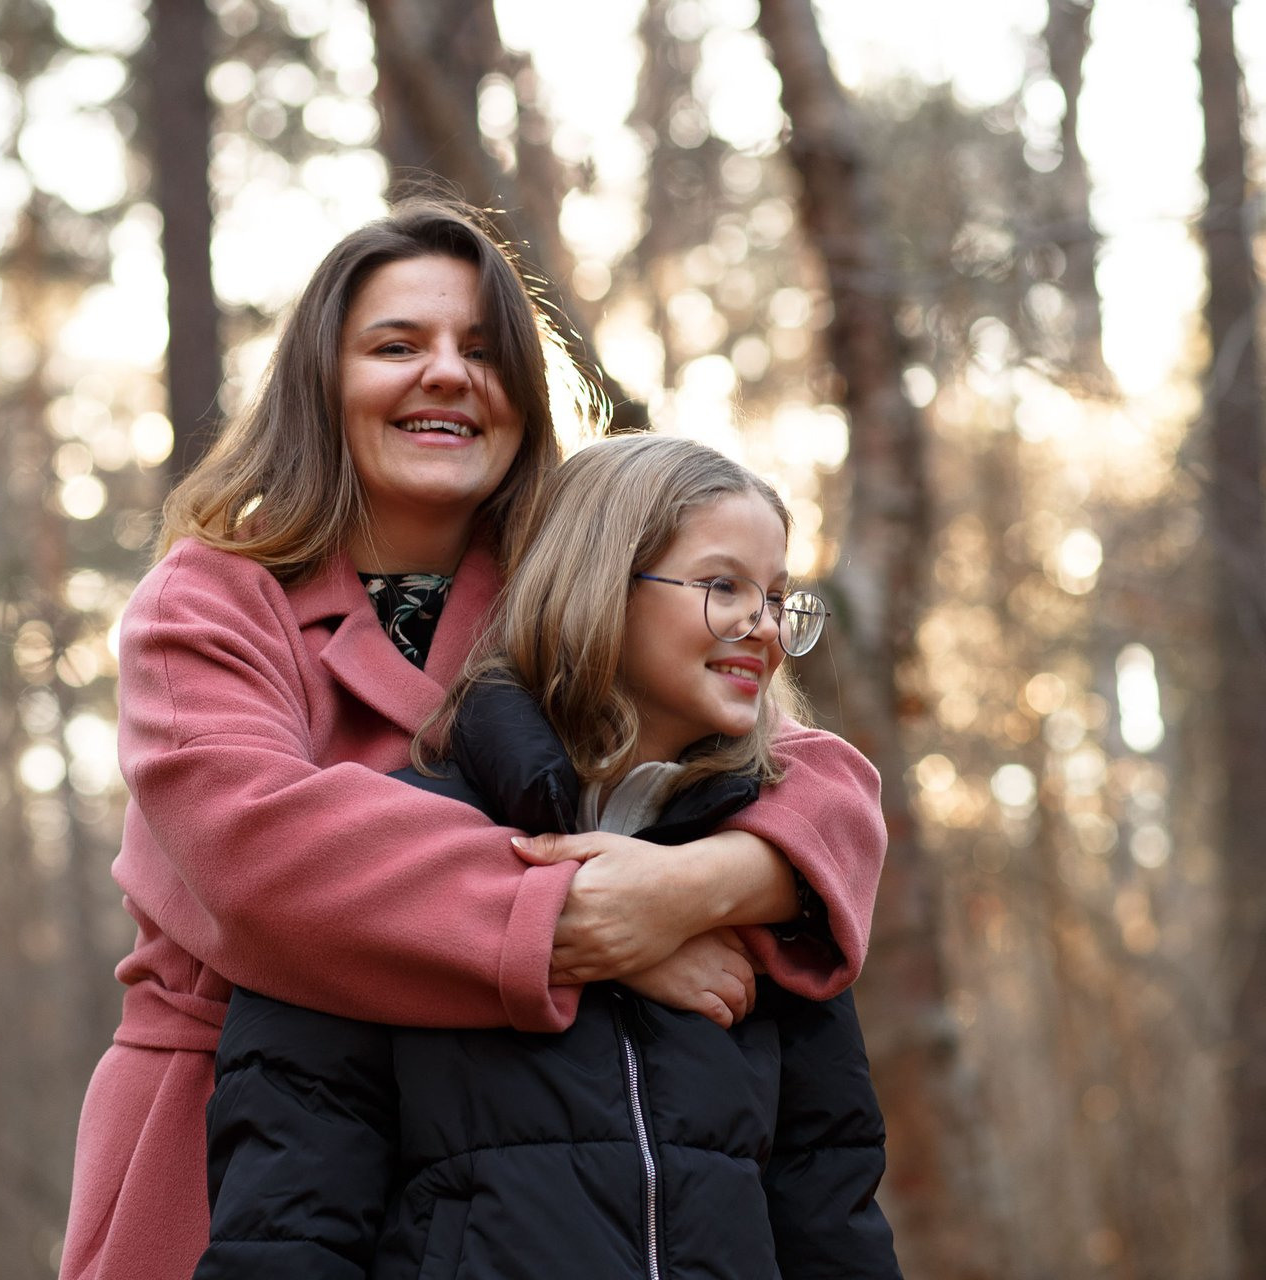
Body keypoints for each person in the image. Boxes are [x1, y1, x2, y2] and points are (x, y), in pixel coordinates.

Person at [59, 196, 888, 1280]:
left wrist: (695, 887)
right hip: (234, 1148)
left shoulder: (570, 597)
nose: (445, 373)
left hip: (513, 1164)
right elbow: (258, 856)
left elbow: (806, 777)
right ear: (320, 381)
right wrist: (598, 923)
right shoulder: (211, 599)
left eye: (484, 350)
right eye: (396, 345)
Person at [196, 433, 900, 1279]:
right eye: (722, 587)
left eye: (779, 598)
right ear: (601, 582)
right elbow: (287, 1231)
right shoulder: (386, 859)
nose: (764, 629)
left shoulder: (765, 884)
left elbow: (832, 1213)